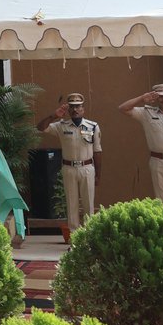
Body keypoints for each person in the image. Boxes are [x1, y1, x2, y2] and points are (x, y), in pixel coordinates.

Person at [37, 93, 102, 237]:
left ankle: (89, 236)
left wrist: (98, 174)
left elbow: (97, 151)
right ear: (68, 109)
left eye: (78, 106)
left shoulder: (92, 126)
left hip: (87, 168)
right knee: (71, 204)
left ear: (83, 109)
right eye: (72, 107)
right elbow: (40, 127)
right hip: (69, 168)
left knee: (88, 204)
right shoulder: (61, 126)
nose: (75, 110)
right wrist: (54, 115)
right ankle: (74, 237)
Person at [119, 84, 163, 203]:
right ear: (155, 98)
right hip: (158, 161)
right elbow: (123, 108)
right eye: (160, 96)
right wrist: (141, 98)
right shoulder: (147, 113)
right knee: (162, 198)